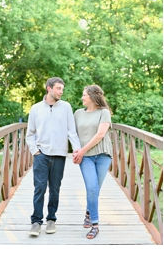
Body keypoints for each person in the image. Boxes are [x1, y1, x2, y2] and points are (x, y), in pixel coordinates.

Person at [25, 77, 82, 237]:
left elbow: (71, 131)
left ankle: (51, 219)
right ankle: (36, 222)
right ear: (49, 88)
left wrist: (77, 149)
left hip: (59, 155)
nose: (61, 92)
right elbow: (30, 134)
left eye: (62, 89)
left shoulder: (66, 107)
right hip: (41, 155)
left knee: (55, 190)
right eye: (58, 88)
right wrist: (34, 151)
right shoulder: (36, 108)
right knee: (40, 188)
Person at [72, 85, 114, 239]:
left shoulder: (104, 112)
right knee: (91, 188)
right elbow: (72, 134)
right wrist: (77, 150)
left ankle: (89, 213)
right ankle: (95, 225)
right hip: (86, 157)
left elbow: (100, 135)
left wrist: (81, 151)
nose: (82, 98)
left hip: (103, 155)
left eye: (84, 95)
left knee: (95, 189)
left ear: (92, 97)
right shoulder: (77, 114)